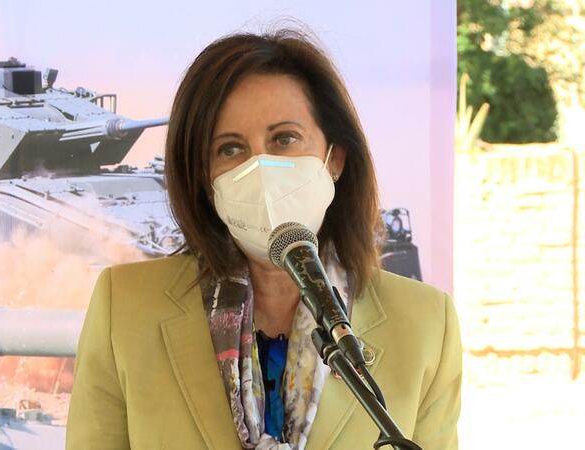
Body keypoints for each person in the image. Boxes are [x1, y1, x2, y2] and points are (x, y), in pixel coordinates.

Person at [67, 28, 462, 450]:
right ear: (204, 178)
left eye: (284, 139)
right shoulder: (125, 309)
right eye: (230, 149)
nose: (261, 168)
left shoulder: (424, 325)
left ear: (335, 158)